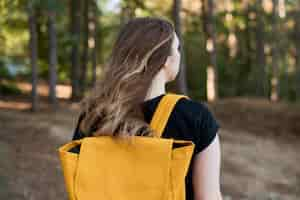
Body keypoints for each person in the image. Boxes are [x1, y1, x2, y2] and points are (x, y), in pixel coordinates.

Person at [72, 17, 222, 200]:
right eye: (177, 48)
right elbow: (208, 197)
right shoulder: (195, 117)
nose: (179, 54)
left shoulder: (93, 115)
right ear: (166, 60)